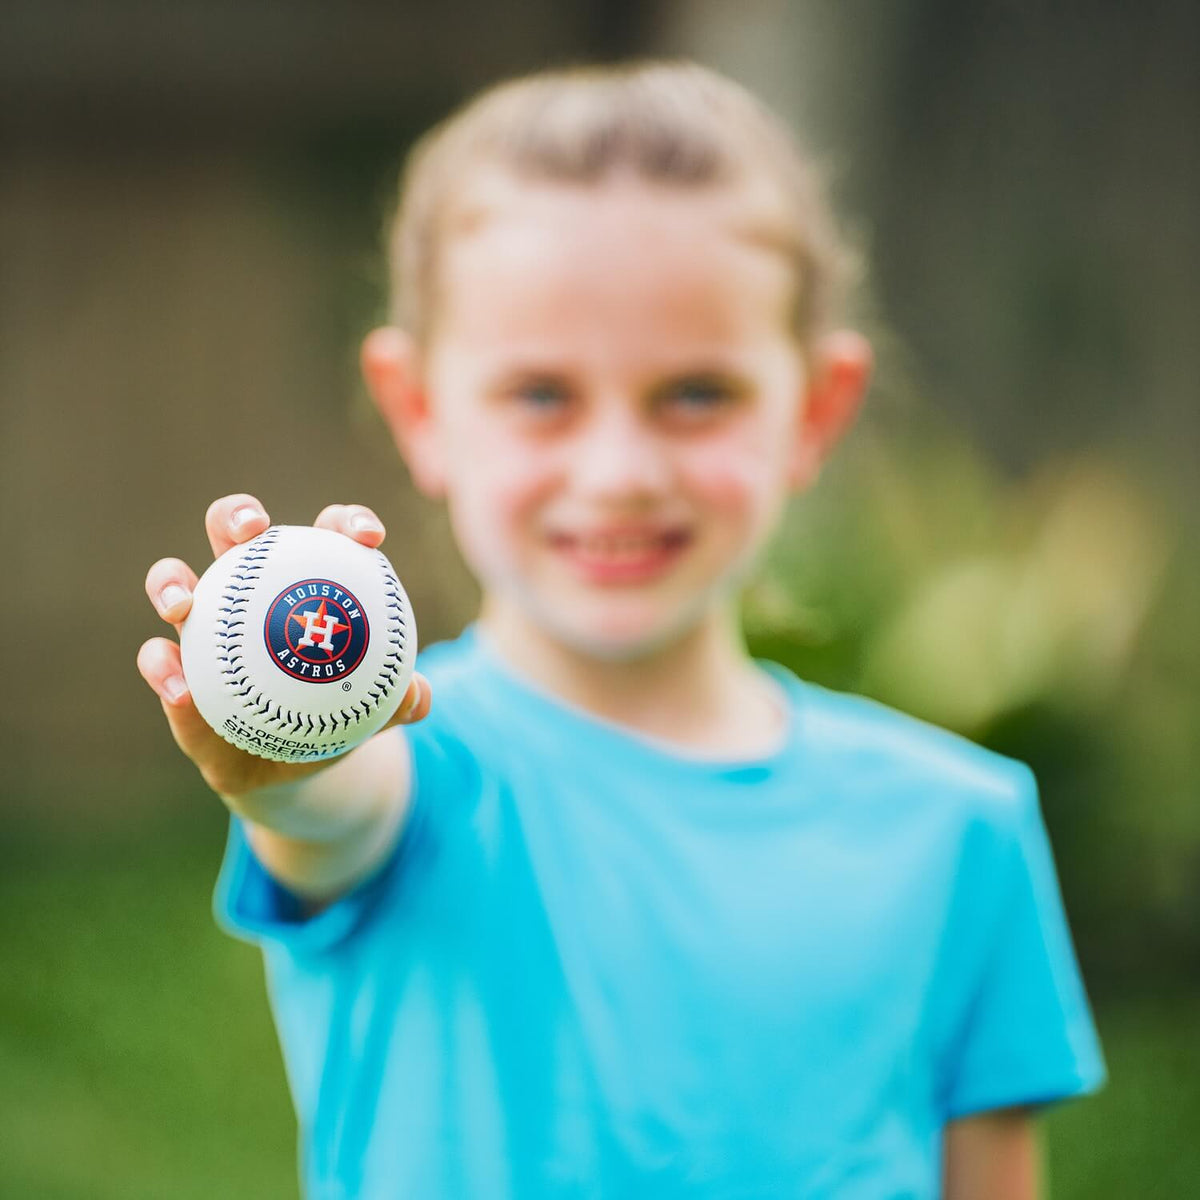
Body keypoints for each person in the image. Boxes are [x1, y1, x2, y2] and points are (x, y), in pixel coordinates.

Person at [137, 61, 1105, 1199]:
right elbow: (332, 806)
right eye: (540, 393)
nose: (621, 472)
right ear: (419, 410)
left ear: (816, 410)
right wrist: (289, 757)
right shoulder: (423, 773)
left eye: (696, 394)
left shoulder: (962, 831)